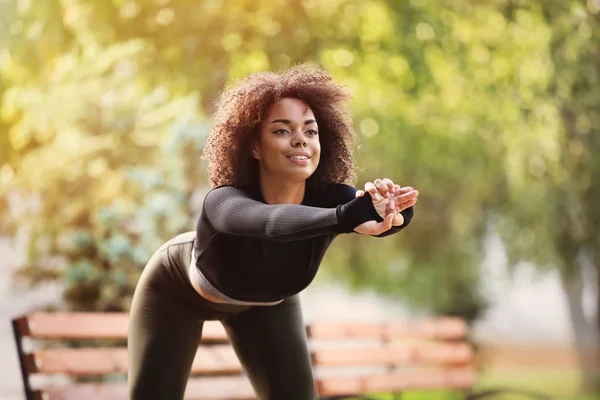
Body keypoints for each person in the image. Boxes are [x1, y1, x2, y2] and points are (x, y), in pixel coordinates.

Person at [127, 64, 419, 400]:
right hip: (175, 294)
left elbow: (371, 212)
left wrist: (391, 210)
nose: (301, 140)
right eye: (282, 131)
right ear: (254, 146)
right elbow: (271, 223)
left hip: (268, 303)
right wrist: (344, 217)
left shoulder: (331, 199)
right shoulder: (225, 202)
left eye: (310, 131)